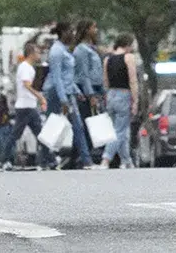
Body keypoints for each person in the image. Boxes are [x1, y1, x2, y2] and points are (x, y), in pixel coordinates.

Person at [42, 22, 91, 169]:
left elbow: (67, 76)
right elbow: (56, 78)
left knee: (77, 126)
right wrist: (63, 99)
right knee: (53, 126)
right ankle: (46, 159)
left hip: (68, 92)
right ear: (63, 32)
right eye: (71, 31)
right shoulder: (56, 51)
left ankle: (85, 160)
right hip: (56, 93)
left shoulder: (64, 50)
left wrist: (77, 91)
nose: (73, 34)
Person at [4, 42, 50, 171]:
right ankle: (5, 159)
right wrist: (40, 97)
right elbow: (27, 84)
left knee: (40, 134)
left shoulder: (29, 67)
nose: (39, 55)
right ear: (31, 53)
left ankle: (48, 160)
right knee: (17, 134)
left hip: (28, 105)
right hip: (25, 106)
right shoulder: (25, 67)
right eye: (37, 52)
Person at [100, 34, 139, 169]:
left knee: (120, 129)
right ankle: (106, 158)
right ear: (128, 44)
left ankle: (126, 160)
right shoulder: (129, 58)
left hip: (111, 94)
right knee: (120, 131)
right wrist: (135, 100)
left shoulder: (107, 59)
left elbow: (105, 80)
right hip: (124, 94)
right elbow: (132, 80)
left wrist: (106, 96)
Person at [73, 18, 105, 152]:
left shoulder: (91, 48)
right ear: (86, 30)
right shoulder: (81, 50)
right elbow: (84, 74)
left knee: (92, 123)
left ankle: (83, 155)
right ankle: (81, 155)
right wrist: (90, 94)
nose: (96, 30)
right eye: (93, 27)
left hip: (95, 88)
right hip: (86, 90)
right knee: (87, 123)